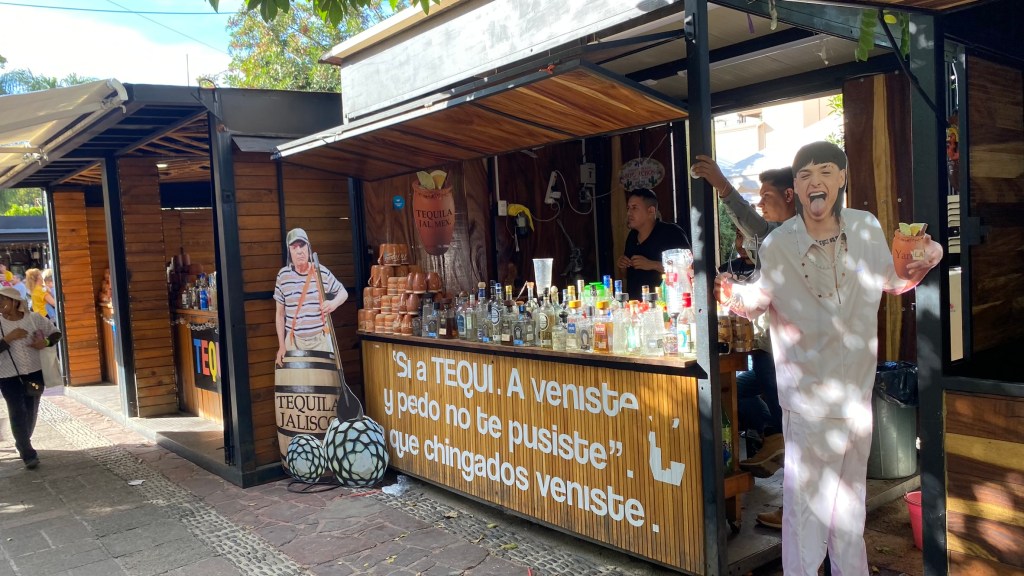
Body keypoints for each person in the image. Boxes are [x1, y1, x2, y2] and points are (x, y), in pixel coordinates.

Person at [715, 141, 942, 575]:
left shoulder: (865, 228)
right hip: (807, 401)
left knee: (850, 509)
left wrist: (924, 259)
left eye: (824, 171)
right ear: (795, 189)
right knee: (806, 512)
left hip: (856, 395)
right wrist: (729, 295)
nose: (814, 181)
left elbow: (893, 279)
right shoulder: (779, 244)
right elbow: (756, 301)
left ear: (841, 177)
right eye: (804, 175)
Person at [693, 159, 799, 528]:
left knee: (795, 431)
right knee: (731, 392)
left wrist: (722, 186)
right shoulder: (779, 238)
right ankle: (772, 435)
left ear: (789, 195)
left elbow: (754, 225)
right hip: (769, 348)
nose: (760, 202)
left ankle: (792, 506)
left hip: (786, 352)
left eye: (767, 195)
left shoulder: (790, 233)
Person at [0, 286, 62, 469]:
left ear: (14, 302)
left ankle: (22, 441)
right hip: (7, 376)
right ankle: (28, 453)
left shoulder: (34, 318)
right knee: (17, 411)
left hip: (35, 373)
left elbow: (56, 333)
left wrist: (45, 342)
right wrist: (9, 338)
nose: (0, 303)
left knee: (31, 410)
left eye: (3, 299)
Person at [274, 228, 348, 366]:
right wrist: (281, 346)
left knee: (325, 379)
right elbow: (280, 314)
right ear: (289, 251)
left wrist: (333, 303)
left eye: (302, 245)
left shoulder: (321, 272)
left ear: (308, 247)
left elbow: (343, 292)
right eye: (294, 247)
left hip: (321, 341)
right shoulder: (283, 276)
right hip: (294, 342)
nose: (299, 251)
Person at [616, 188, 690, 296]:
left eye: (634, 208)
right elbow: (626, 275)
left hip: (665, 302)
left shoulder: (672, 233)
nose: (628, 213)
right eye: (628, 208)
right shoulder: (632, 236)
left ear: (651, 211)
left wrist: (652, 264)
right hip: (635, 304)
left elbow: (687, 270)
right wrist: (622, 266)